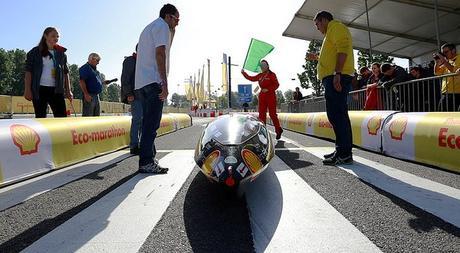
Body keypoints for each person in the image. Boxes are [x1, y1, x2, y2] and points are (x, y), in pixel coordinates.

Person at [134, 3, 179, 174]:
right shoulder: (161, 26)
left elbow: (165, 49)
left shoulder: (151, 27)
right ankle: (146, 161)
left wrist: (173, 32)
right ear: (168, 16)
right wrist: (164, 83)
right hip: (154, 82)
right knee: (151, 125)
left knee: (147, 123)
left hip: (143, 82)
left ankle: (149, 156)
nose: (177, 23)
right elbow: (160, 54)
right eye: (176, 19)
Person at [306, 11, 354, 165]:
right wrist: (318, 58)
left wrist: (338, 73)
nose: (317, 27)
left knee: (338, 115)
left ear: (325, 20)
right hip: (333, 77)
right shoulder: (330, 32)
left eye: (317, 24)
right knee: (336, 115)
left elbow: (343, 49)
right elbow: (334, 54)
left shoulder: (336, 27)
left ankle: (344, 152)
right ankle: (341, 150)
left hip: (336, 77)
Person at [24, 27, 73, 118]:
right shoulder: (34, 52)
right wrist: (27, 90)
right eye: (53, 36)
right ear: (45, 36)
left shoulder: (61, 53)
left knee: (61, 117)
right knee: (41, 117)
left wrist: (68, 90)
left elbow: (66, 73)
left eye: (57, 36)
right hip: (39, 89)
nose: (56, 38)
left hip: (56, 90)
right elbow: (28, 72)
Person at [241, 60, 283, 139]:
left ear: (267, 66)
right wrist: (244, 73)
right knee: (261, 115)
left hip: (271, 96)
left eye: (264, 65)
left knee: (272, 115)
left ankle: (278, 130)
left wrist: (268, 89)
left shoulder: (272, 74)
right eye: (261, 66)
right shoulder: (260, 75)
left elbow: (276, 85)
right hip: (262, 96)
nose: (262, 67)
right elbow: (251, 78)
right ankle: (263, 132)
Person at [121, 45, 142, 155]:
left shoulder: (145, 61)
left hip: (144, 96)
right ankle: (134, 145)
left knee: (144, 122)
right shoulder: (130, 61)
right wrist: (129, 93)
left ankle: (142, 144)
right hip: (135, 96)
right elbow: (125, 78)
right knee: (137, 120)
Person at [434, 43, 460, 111]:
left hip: (457, 93)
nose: (444, 54)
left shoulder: (459, 58)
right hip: (445, 93)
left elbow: (453, 70)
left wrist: (444, 60)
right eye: (443, 53)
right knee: (441, 115)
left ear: (453, 50)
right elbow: (437, 72)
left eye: (446, 52)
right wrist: (436, 62)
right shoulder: (447, 61)